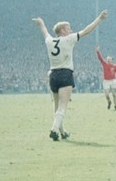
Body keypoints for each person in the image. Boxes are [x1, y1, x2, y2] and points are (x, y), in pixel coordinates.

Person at [33, 11, 108, 141]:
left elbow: (45, 32)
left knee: (56, 105)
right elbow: (86, 31)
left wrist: (41, 24)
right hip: (65, 74)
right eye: (68, 28)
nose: (71, 30)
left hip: (53, 74)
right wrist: (100, 18)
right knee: (63, 105)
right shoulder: (69, 39)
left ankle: (62, 131)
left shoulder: (50, 41)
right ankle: (54, 130)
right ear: (62, 31)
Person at [96, 45, 116, 110]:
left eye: (109, 60)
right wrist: (97, 51)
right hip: (106, 81)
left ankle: (115, 106)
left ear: (112, 60)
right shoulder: (104, 64)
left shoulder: (115, 66)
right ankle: (109, 102)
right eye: (107, 60)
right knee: (106, 95)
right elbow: (100, 58)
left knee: (114, 94)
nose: (108, 61)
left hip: (113, 81)